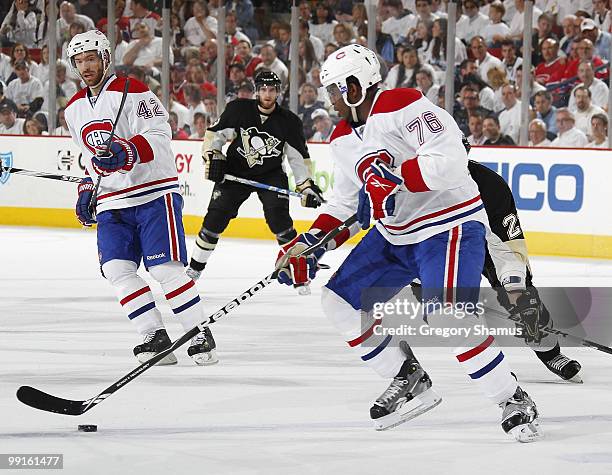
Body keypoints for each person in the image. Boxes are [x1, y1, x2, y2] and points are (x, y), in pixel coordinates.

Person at [275, 44, 541, 442]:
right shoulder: (342, 138)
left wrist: (395, 176)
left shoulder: (403, 103)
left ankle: (511, 397)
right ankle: (407, 376)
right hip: (395, 234)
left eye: (334, 89)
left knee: (449, 316)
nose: (331, 99)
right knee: (337, 302)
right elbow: (346, 204)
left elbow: (449, 161)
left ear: (354, 87)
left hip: (447, 225)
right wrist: (311, 243)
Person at [64, 30, 218, 367]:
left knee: (165, 268)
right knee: (116, 269)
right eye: (79, 61)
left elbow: (160, 136)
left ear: (105, 58)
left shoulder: (133, 91)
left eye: (91, 58)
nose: (86, 66)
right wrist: (87, 189)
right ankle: (153, 334)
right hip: (111, 201)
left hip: (152, 193)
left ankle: (198, 331)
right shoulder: (73, 110)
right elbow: (88, 158)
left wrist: (127, 150)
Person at [185, 70, 324, 281]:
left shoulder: (289, 121)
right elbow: (216, 134)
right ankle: (194, 269)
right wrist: (212, 156)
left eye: (272, 90)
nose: (267, 95)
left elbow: (298, 158)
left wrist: (306, 186)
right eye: (263, 90)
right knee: (214, 220)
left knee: (281, 222)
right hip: (235, 171)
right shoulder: (238, 109)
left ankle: (297, 268)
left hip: (270, 175)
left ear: (278, 92)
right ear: (256, 91)